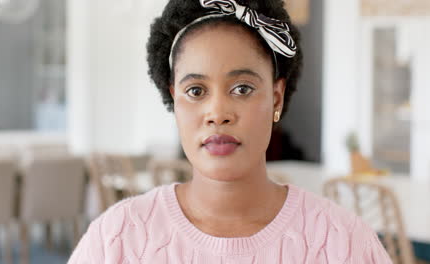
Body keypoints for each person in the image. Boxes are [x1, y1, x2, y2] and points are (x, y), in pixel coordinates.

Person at [68, 0, 392, 262]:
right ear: (173, 100)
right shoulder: (117, 238)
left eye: (242, 88)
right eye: (196, 91)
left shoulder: (345, 243)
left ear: (276, 97)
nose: (218, 114)